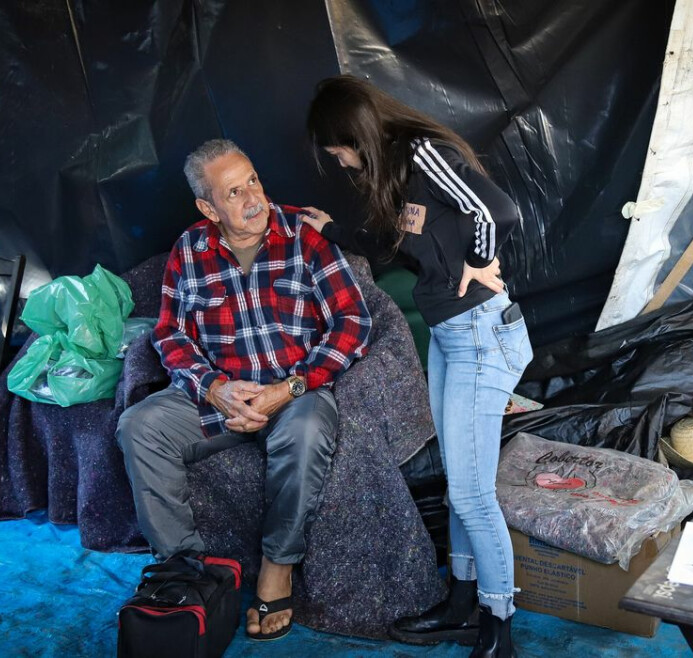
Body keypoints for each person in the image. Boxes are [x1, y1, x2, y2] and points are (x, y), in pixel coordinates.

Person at [303, 75, 533, 658]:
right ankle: (461, 601)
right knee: (459, 486)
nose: (341, 161)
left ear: (355, 132)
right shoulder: (398, 179)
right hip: (450, 336)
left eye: (339, 149)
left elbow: (498, 211)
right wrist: (330, 231)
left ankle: (498, 626)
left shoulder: (423, 153)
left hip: (482, 335)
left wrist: (479, 261)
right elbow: (403, 250)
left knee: (474, 493)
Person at [115, 138, 372, 642]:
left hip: (293, 391)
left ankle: (277, 567)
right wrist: (214, 389)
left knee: (309, 428)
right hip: (219, 395)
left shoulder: (304, 235)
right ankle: (184, 568)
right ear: (208, 208)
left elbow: (353, 320)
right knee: (138, 426)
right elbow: (169, 333)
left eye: (253, 180)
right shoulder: (190, 250)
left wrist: (290, 386)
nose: (254, 199)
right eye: (234, 193)